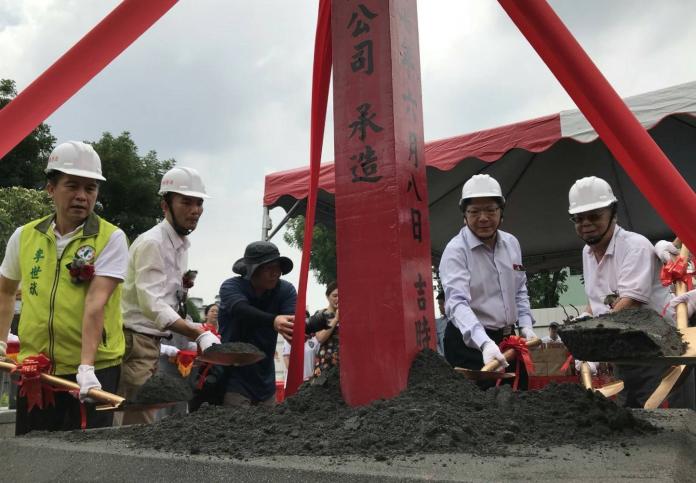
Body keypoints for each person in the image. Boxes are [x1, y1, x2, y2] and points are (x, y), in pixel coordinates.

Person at [0, 141, 129, 434]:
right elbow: (5, 291)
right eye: (72, 186)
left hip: (94, 373)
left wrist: (86, 367)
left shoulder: (111, 238)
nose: (82, 196)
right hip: (37, 370)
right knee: (33, 458)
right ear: (51, 188)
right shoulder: (25, 236)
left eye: (90, 188)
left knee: (87, 464)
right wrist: (1, 343)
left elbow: (96, 303)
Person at [567, 176, 691, 407]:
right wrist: (584, 319)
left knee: (662, 420)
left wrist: (588, 342)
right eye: (579, 218)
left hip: (658, 353)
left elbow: (628, 306)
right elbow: (596, 302)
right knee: (631, 417)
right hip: (624, 354)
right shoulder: (587, 252)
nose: (586, 223)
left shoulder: (634, 246)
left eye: (594, 216)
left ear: (613, 215)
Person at [116, 167, 219, 425]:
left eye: (199, 203)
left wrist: (196, 331)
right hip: (136, 341)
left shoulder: (180, 244)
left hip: (153, 342)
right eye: (186, 202)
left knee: (144, 417)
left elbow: (172, 300)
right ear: (165, 205)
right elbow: (152, 304)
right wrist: (196, 332)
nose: (195, 210)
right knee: (138, 420)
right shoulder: (153, 243)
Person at [439, 174, 536, 387]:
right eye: (474, 212)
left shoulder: (512, 244)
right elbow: (456, 303)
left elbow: (519, 290)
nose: (483, 218)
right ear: (464, 215)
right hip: (470, 346)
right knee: (479, 411)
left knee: (517, 401)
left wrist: (526, 325)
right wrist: (484, 343)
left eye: (491, 210)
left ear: (501, 212)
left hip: (507, 342)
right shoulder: (456, 251)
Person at [218, 241, 296, 406]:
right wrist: (273, 321)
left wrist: (318, 322)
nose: (275, 273)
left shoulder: (285, 290)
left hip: (266, 380)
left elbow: (293, 321)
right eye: (268, 268)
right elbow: (240, 309)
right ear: (253, 270)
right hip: (233, 376)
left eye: (278, 267)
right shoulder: (231, 287)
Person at [311, 282, 340, 378]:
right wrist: (336, 319)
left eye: (341, 296)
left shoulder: (348, 315)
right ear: (327, 297)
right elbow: (320, 338)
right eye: (335, 296)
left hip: (344, 364)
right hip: (326, 364)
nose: (338, 299)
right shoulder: (320, 315)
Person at [434, 291, 448, 356]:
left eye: (441, 304)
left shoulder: (458, 321)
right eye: (439, 304)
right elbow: (436, 343)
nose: (439, 307)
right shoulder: (437, 323)